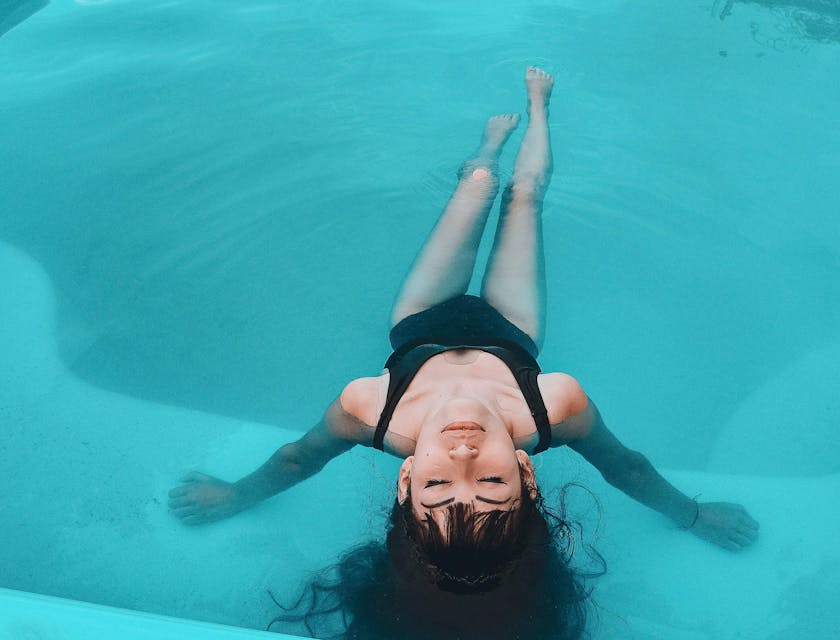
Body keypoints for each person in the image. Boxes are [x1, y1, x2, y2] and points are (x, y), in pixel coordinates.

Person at [169, 67, 759, 552]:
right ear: (526, 475)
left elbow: (297, 460)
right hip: (512, 329)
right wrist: (692, 515)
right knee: (524, 198)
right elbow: (625, 467)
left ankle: (488, 148)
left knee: (477, 184)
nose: (464, 457)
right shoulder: (554, 407)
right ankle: (540, 107)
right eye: (493, 481)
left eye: (440, 483)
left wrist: (232, 497)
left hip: (421, 318)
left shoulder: (371, 410)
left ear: (407, 481)